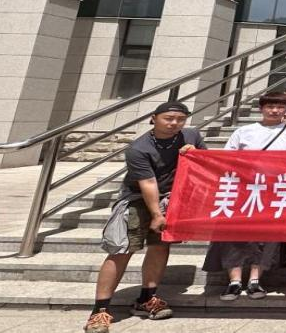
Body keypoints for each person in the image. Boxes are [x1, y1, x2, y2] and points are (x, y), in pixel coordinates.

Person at [85, 103, 204, 333]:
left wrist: (195, 153)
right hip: (137, 199)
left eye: (180, 119)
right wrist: (156, 214)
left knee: (160, 246)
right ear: (154, 118)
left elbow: (205, 163)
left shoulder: (191, 135)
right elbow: (148, 183)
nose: (174, 123)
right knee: (121, 250)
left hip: (171, 198)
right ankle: (99, 310)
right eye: (169, 118)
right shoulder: (139, 148)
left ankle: (147, 298)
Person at [205, 92, 286, 302]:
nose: (275, 111)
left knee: (267, 236)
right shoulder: (244, 131)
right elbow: (227, 158)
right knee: (233, 234)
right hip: (243, 189)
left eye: (280, 107)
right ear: (261, 108)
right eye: (270, 106)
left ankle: (255, 279)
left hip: (276, 190)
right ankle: (234, 281)